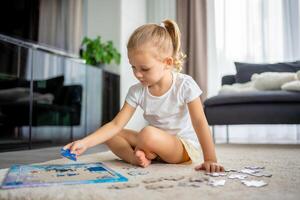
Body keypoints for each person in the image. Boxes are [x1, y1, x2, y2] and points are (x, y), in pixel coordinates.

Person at [64, 19, 224, 173]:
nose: (138, 74)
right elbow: (115, 125)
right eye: (133, 67)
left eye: (145, 69)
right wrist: (85, 143)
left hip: (181, 147)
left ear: (167, 63)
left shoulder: (185, 85)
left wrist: (210, 158)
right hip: (152, 141)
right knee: (111, 133)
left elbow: (200, 122)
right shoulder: (137, 91)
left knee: (147, 133)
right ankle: (136, 159)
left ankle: (145, 150)